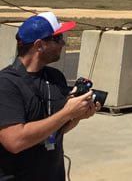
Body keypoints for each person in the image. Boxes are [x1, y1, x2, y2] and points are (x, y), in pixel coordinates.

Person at [0, 13, 101, 180]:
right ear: (39, 45)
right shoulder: (6, 84)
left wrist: (77, 116)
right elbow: (15, 141)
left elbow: (57, 129)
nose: (63, 43)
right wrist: (67, 113)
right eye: (58, 38)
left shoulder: (55, 78)